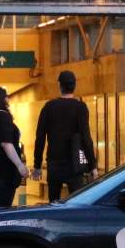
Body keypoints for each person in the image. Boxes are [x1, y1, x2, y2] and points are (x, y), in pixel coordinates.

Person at [32, 70, 97, 202]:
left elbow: (40, 137)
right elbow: (86, 138)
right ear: (74, 86)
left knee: (54, 203)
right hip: (74, 164)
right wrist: (92, 166)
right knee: (77, 202)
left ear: (60, 86)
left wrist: (37, 166)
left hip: (54, 163)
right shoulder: (80, 108)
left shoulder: (49, 107)